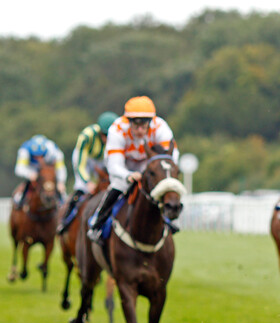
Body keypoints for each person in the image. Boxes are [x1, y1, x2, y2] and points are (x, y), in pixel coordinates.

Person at [88, 96, 178, 243]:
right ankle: (97, 223)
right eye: (136, 126)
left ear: (151, 122)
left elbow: (170, 158)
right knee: (119, 186)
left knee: (162, 185)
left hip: (148, 164)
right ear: (128, 121)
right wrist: (128, 175)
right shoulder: (117, 129)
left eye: (144, 125)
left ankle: (170, 219)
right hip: (124, 165)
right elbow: (114, 165)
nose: (140, 130)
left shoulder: (161, 127)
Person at [57, 111, 119, 234]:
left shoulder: (119, 136)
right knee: (81, 189)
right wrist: (87, 182)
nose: (107, 139)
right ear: (100, 132)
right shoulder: (86, 136)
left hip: (103, 161)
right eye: (105, 135)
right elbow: (80, 163)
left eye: (110, 135)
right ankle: (64, 221)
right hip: (86, 160)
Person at [13, 135, 67, 209]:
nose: (38, 159)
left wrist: (61, 182)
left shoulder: (54, 152)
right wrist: (30, 174)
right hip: (31, 169)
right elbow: (19, 169)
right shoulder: (24, 151)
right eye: (35, 156)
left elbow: (60, 168)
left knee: (61, 191)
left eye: (41, 156)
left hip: (48, 169)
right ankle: (20, 201)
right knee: (26, 187)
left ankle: (62, 203)